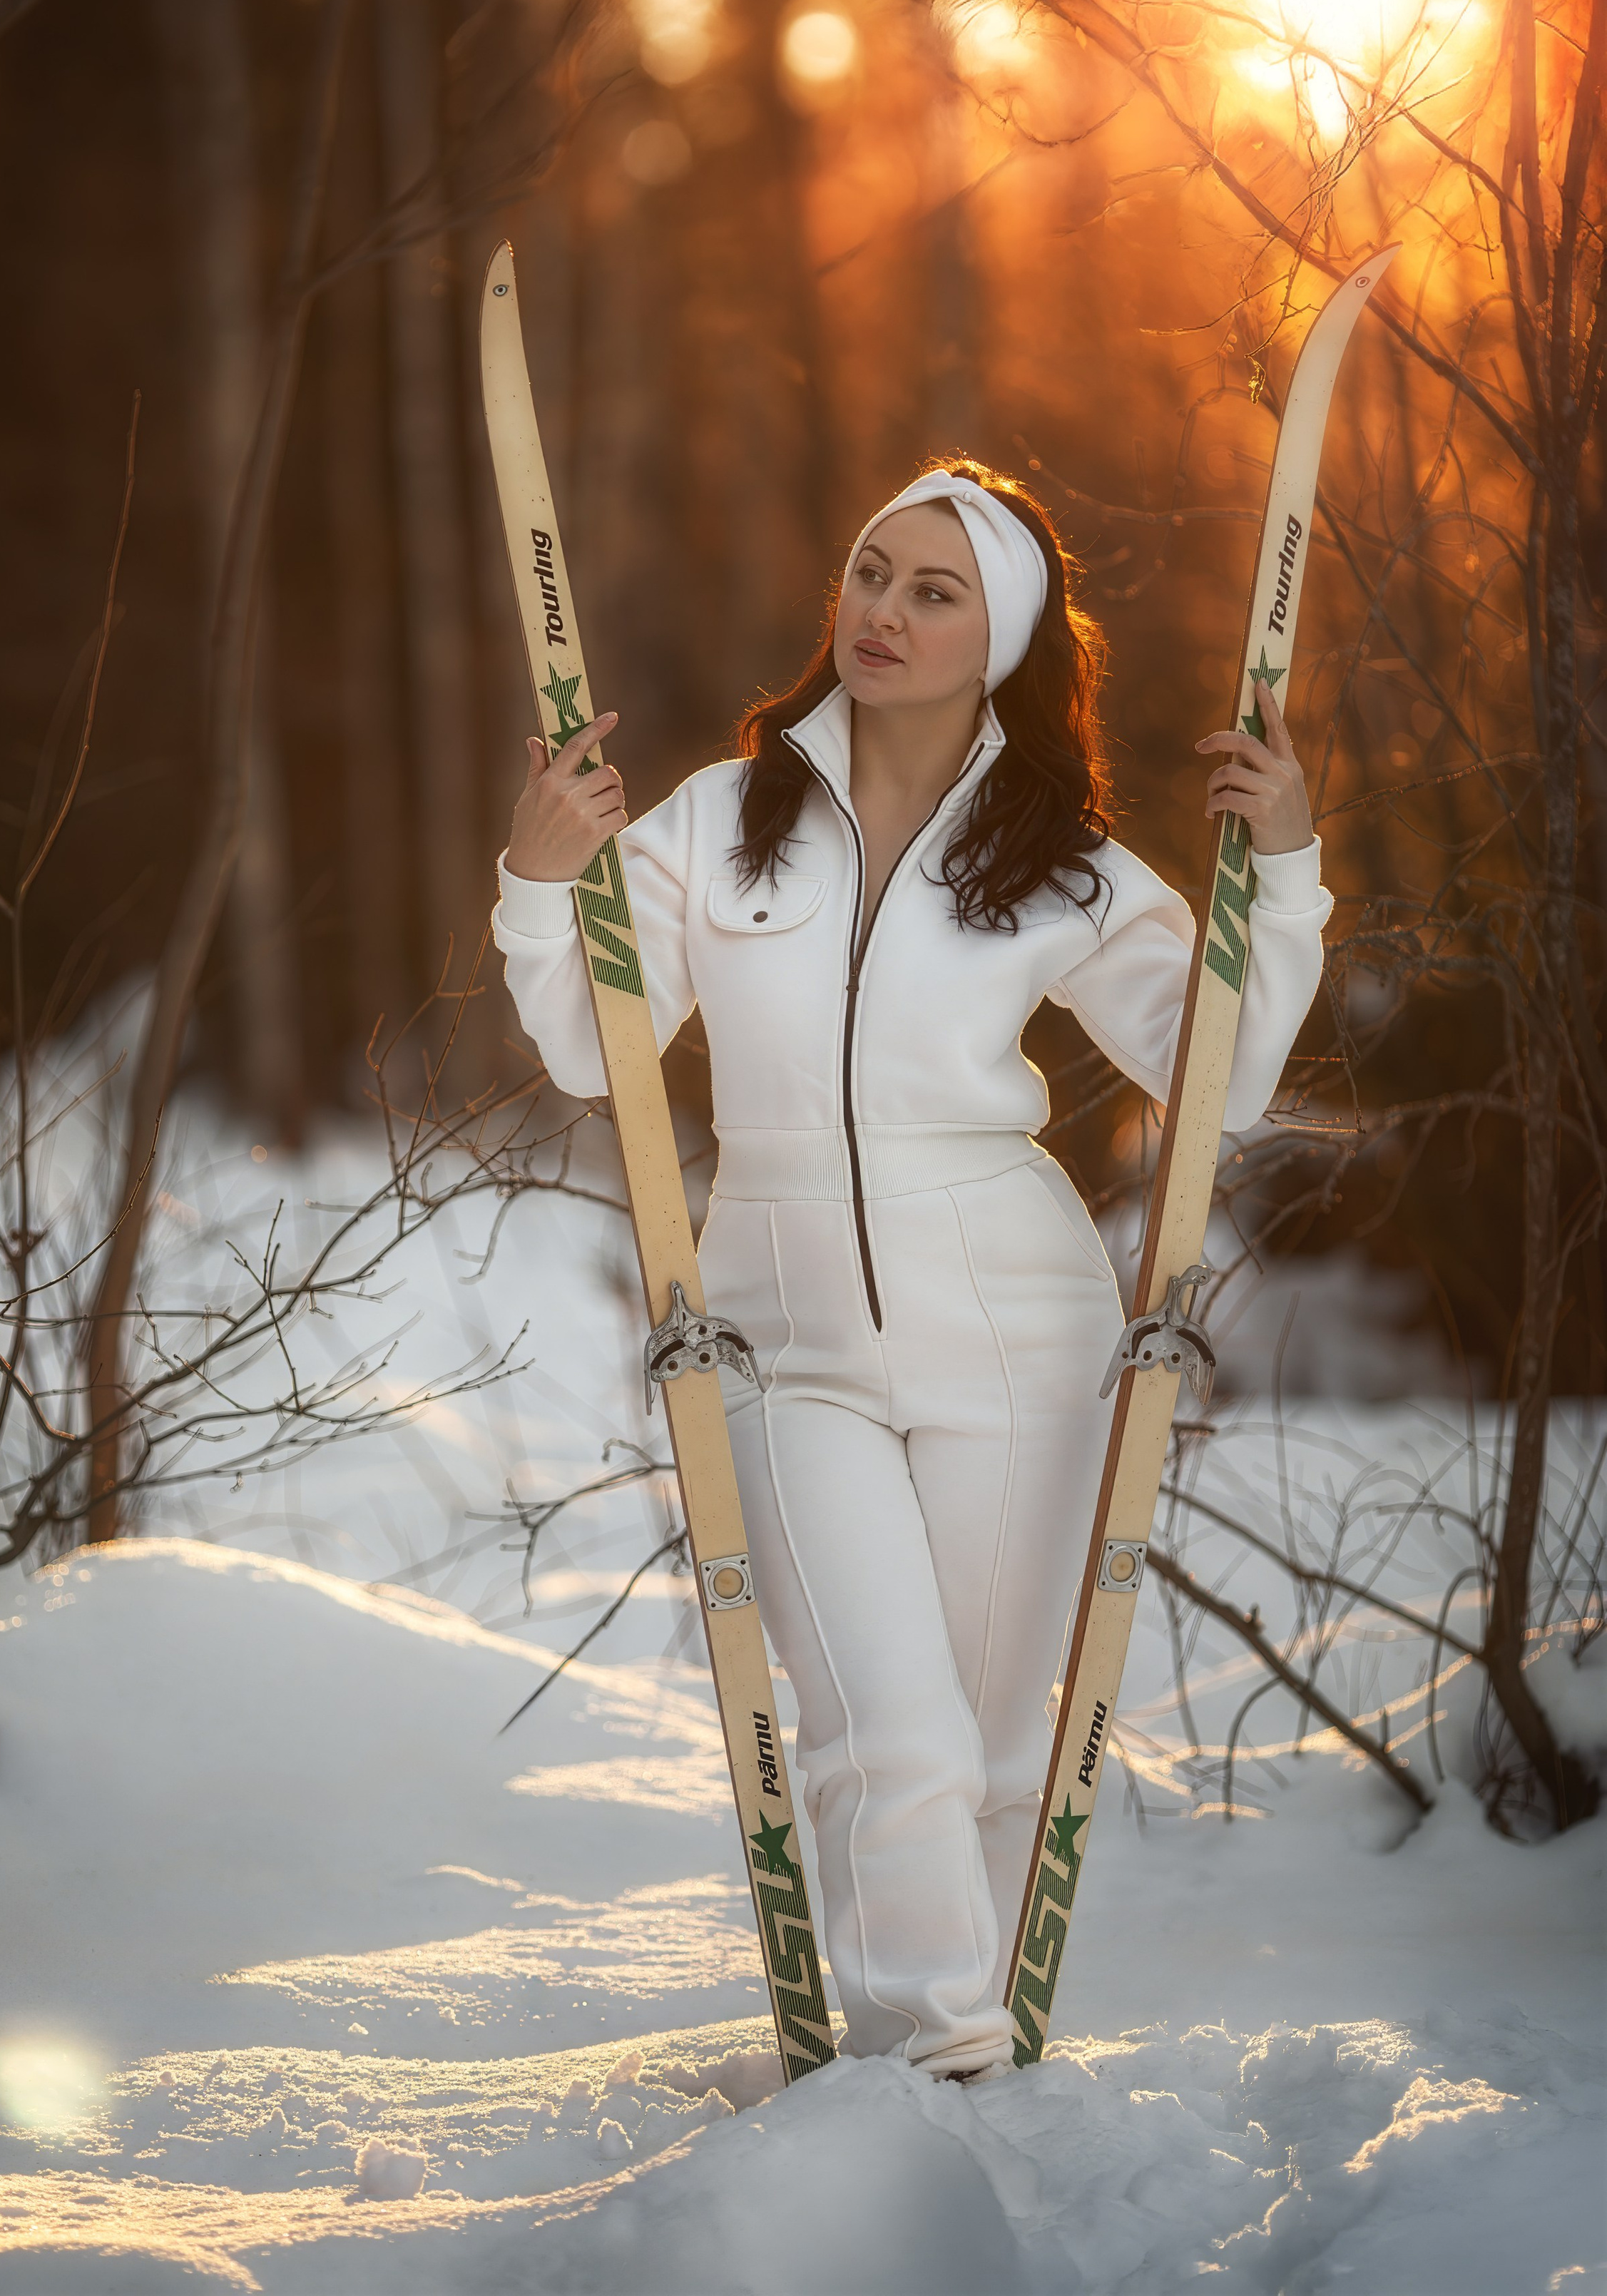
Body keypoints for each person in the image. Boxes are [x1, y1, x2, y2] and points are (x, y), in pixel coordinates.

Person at [491, 458, 1330, 2083]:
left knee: (1003, 1749)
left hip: (1019, 1331)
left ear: (1001, 639)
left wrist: (1281, 867)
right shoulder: (722, 823)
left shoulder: (1062, 861)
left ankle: (991, 2075)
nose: (881, 610)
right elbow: (594, 1054)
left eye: (932, 591)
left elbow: (1217, 1069)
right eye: (870, 572)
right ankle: (928, 2063)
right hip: (772, 1331)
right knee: (887, 1729)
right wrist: (541, 883)